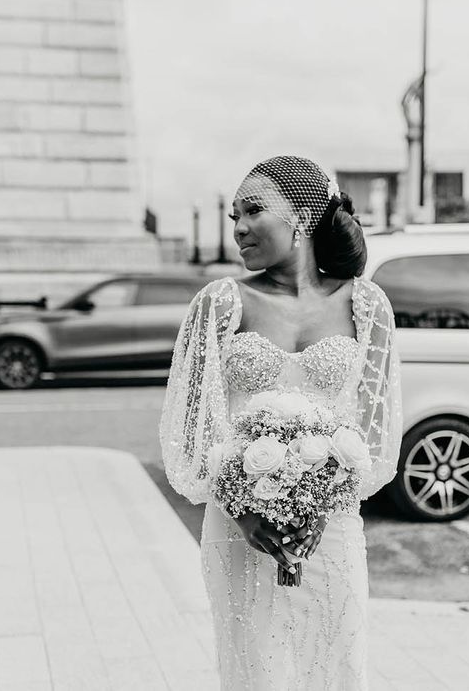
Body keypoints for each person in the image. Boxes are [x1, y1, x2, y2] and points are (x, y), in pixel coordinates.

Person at [159, 155, 403, 690]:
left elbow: (373, 430)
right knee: (255, 672)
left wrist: (324, 501)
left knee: (337, 666)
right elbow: (194, 427)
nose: (239, 227)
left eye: (253, 210)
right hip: (236, 524)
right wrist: (244, 510)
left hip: (331, 527)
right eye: (233, 216)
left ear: (303, 214)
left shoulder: (368, 306)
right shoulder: (221, 303)